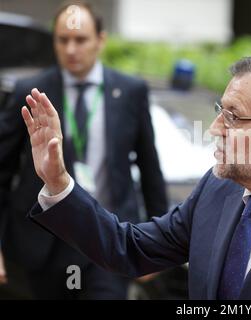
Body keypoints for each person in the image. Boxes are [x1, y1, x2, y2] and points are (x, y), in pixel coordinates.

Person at [22, 53, 251, 299]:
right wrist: (58, 183)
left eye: (233, 116)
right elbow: (129, 249)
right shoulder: (218, 191)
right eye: (221, 110)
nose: (215, 128)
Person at [0, 1, 167, 299]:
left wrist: (159, 247)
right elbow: (2, 172)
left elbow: (150, 171)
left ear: (100, 40)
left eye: (80, 39)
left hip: (109, 237)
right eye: (63, 40)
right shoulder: (31, 91)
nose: (71, 49)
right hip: (43, 242)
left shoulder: (130, 91)